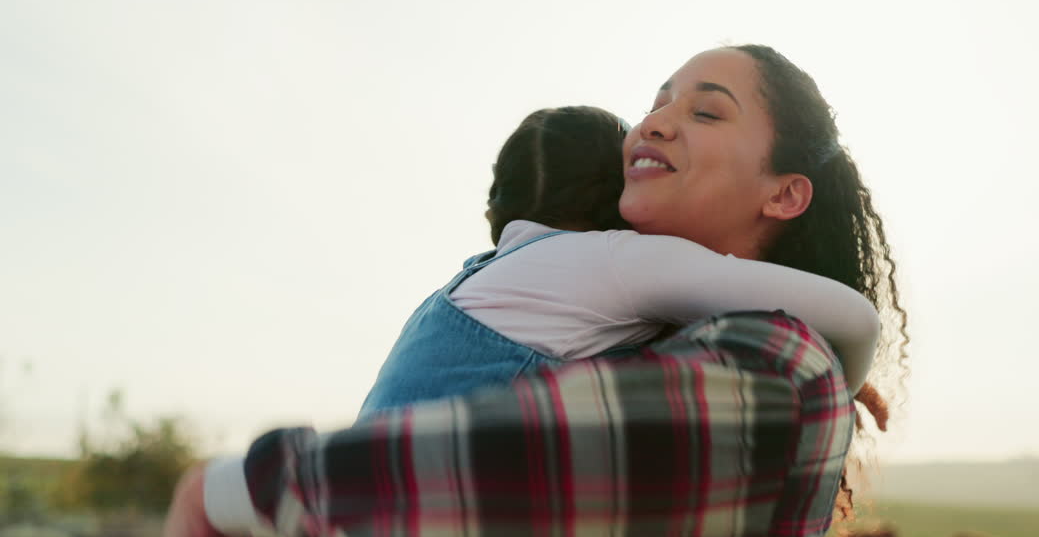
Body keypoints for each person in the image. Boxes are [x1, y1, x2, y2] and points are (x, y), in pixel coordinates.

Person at [153, 45, 911, 537]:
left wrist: (231, 492)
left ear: (784, 192)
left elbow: (494, 478)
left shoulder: (775, 357)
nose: (653, 123)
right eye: (655, 103)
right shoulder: (663, 321)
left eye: (707, 112)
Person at [357, 104, 880, 418]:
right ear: (621, 190)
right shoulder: (613, 260)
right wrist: (838, 392)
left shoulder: (477, 282)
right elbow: (857, 319)